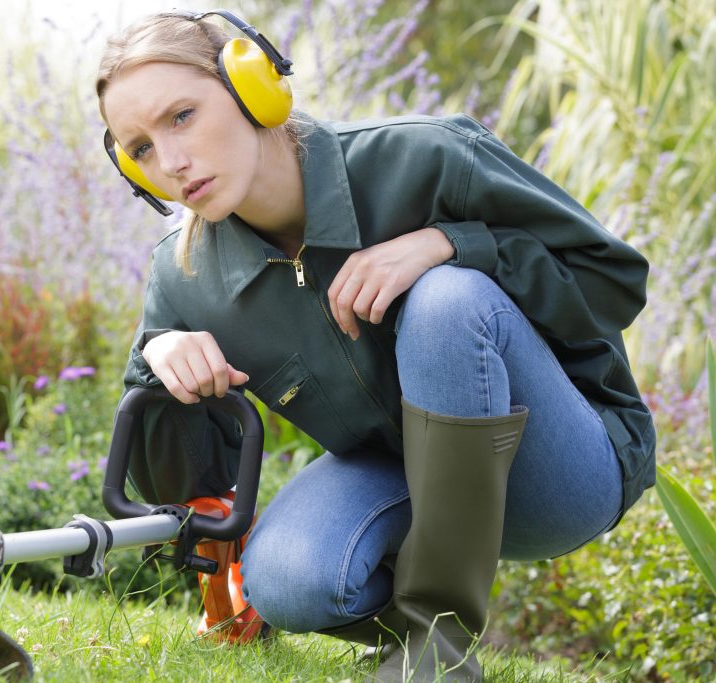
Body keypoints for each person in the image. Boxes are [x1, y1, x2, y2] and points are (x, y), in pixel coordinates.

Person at [96, 10, 656, 682]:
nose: (172, 162)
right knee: (284, 580)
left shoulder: (425, 157)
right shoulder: (183, 277)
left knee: (446, 299)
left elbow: (613, 281)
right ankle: (417, 625)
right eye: (142, 148)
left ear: (252, 85)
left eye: (181, 116)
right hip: (401, 477)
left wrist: (453, 243)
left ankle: (435, 654)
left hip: (560, 472)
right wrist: (160, 370)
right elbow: (183, 490)